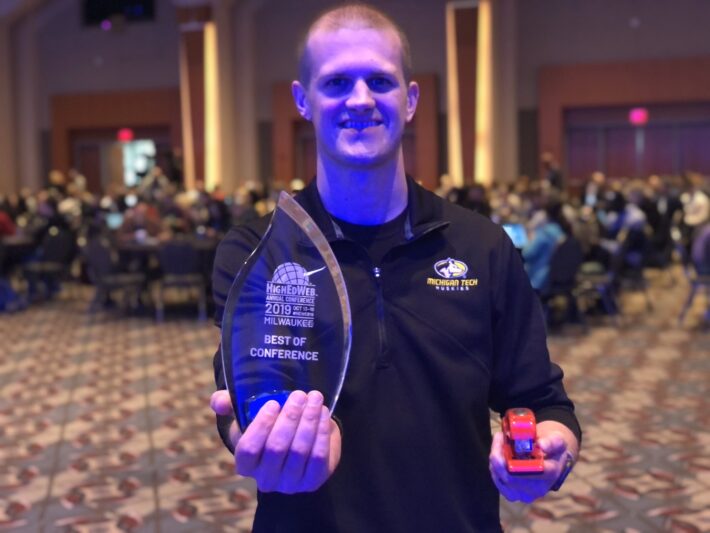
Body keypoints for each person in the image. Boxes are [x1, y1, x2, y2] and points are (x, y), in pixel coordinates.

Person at [209, 4, 581, 532]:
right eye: (336, 82)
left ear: (409, 101)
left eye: (379, 81)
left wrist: (552, 449)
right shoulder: (258, 252)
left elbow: (543, 402)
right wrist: (258, 437)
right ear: (303, 101)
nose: (359, 99)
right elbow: (240, 404)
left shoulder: (482, 245)